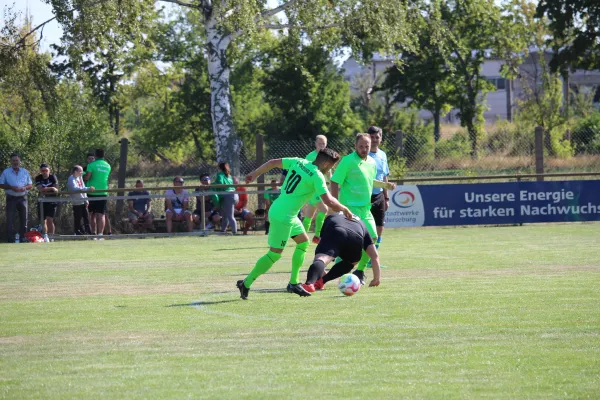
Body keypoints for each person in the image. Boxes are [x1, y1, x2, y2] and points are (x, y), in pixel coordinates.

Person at [236, 148, 353, 300]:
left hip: (285, 212)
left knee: (303, 243)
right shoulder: (317, 176)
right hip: (283, 216)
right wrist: (344, 209)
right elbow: (328, 200)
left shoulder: (298, 161)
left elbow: (272, 163)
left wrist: (254, 174)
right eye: (330, 166)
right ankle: (246, 283)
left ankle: (293, 283)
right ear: (325, 163)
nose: (330, 170)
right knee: (274, 254)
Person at [330, 133, 396, 286]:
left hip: (365, 210)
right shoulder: (347, 161)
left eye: (367, 146)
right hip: (349, 209)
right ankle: (334, 273)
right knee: (347, 244)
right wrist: (335, 204)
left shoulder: (372, 162)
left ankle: (359, 271)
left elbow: (369, 181)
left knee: (372, 239)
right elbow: (334, 181)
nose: (364, 149)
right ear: (355, 146)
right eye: (361, 146)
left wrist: (386, 185)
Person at [302, 213, 381, 292]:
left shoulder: (331, 216)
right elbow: (374, 256)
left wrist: (320, 267)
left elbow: (322, 242)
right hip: (355, 237)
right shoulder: (362, 223)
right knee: (352, 262)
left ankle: (309, 284)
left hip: (336, 230)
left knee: (322, 258)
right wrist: (376, 279)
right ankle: (322, 281)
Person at [367, 126, 391, 268]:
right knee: (364, 226)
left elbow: (385, 176)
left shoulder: (382, 155)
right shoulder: (364, 155)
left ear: (381, 138)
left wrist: (386, 197)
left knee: (380, 226)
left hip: (380, 195)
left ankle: (373, 258)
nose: (374, 140)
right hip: (365, 195)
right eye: (372, 137)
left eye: (377, 137)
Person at [302, 135, 330, 244]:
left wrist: (331, 181)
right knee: (324, 210)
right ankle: (317, 236)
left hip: (321, 188)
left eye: (323, 144)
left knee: (309, 215)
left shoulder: (327, 155)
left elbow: (329, 171)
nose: (322, 146)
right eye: (320, 144)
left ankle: (302, 236)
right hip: (313, 189)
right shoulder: (310, 157)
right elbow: (305, 172)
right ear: (315, 144)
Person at [0, 153, 33, 243]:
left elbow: (30, 184)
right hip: (11, 198)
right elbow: (1, 184)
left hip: (23, 198)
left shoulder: (25, 171)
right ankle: (10, 239)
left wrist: (25, 188)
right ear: (10, 161)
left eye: (17, 160)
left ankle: (23, 238)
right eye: (13, 160)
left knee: (24, 219)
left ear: (19, 161)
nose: (15, 162)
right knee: (10, 219)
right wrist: (11, 187)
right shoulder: (6, 172)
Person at [84, 149, 112, 238]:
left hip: (92, 192)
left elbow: (87, 177)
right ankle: (100, 234)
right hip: (103, 192)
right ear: (104, 155)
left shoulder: (91, 165)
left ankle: (93, 233)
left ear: (95, 156)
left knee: (91, 214)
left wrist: (82, 176)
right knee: (101, 214)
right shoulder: (108, 165)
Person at [67, 165, 94, 235]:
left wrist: (86, 200)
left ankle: (88, 232)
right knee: (78, 218)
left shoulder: (80, 177)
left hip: (83, 201)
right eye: (80, 171)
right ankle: (77, 232)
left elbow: (83, 187)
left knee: (86, 218)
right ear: (75, 171)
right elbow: (74, 189)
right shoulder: (71, 179)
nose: (82, 173)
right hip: (76, 202)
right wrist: (88, 189)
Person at [34, 163, 59, 238]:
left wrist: (49, 189)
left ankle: (51, 237)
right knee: (43, 220)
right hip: (42, 201)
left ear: (49, 170)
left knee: (49, 219)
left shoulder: (53, 177)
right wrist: (51, 188)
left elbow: (56, 188)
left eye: (46, 170)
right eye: (42, 171)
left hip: (52, 200)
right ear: (40, 171)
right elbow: (41, 189)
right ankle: (45, 237)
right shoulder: (38, 178)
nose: (44, 172)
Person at [214, 162, 238, 234]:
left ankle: (234, 232)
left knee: (230, 216)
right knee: (225, 215)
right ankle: (223, 230)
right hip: (234, 195)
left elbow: (220, 183)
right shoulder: (229, 175)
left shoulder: (220, 174)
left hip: (227, 195)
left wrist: (213, 184)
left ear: (219, 168)